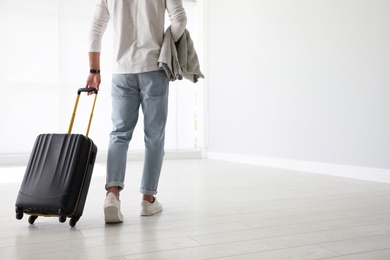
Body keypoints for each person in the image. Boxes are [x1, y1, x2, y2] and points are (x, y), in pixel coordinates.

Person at [86, 0, 187, 223]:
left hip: (122, 71)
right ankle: (147, 199)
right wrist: (167, 43)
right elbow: (179, 20)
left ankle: (112, 195)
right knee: (154, 137)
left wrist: (94, 70)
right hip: (154, 69)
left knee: (119, 135)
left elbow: (96, 27)